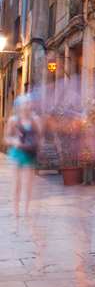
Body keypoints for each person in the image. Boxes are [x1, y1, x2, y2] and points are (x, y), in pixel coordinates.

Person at [4, 94, 41, 230]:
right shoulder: (13, 120)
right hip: (16, 154)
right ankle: (15, 212)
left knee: (28, 186)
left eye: (29, 102)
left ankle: (25, 213)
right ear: (18, 105)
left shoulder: (35, 120)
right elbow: (6, 137)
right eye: (24, 103)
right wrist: (14, 141)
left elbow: (39, 137)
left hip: (29, 155)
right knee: (16, 184)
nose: (27, 105)